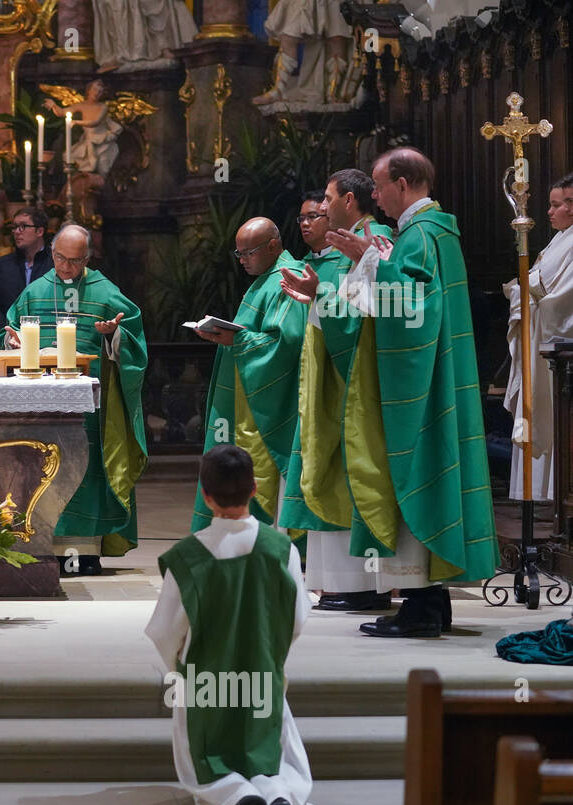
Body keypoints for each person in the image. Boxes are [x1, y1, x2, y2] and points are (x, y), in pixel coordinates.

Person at [280, 148, 499, 637]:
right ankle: (430, 602)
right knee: (423, 477)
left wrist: (370, 264)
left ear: (403, 183)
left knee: (412, 473)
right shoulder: (426, 233)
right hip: (426, 378)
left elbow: (413, 308)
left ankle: (421, 608)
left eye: (379, 188)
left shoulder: (422, 234)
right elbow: (381, 306)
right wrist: (329, 294)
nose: (374, 197)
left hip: (418, 386)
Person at [147, 444, 323, 805]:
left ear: (205, 494)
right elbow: (297, 619)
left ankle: (237, 798)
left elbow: (164, 632)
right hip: (263, 678)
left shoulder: (186, 557)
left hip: (206, 684)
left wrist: (180, 672)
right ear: (256, 488)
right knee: (275, 753)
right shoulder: (282, 550)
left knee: (204, 760)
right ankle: (278, 797)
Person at [279, 170, 395, 613]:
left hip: (355, 383)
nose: (322, 208)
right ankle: (340, 584)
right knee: (329, 471)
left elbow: (370, 311)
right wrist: (318, 297)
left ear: (350, 199)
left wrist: (319, 295)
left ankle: (362, 586)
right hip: (333, 377)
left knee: (352, 476)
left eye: (327, 199)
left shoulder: (375, 240)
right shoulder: (349, 241)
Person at [2, 224, 147, 574]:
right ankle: (43, 545)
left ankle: (85, 551)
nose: (66, 267)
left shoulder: (106, 292)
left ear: (88, 257)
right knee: (42, 469)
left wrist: (114, 335)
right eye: (60, 258)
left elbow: (134, 337)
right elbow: (9, 331)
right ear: (51, 253)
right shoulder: (35, 292)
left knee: (87, 469)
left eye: (75, 260)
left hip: (90, 407)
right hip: (42, 402)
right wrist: (13, 343)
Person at [191, 217, 308, 531]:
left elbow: (288, 342)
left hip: (270, 402)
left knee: (270, 489)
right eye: (238, 254)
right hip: (248, 397)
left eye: (249, 253)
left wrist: (237, 339)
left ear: (273, 245)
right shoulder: (265, 279)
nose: (242, 261)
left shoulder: (287, 277)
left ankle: (276, 551)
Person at [503, 171, 573, 502]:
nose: (548, 212)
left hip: (557, 350)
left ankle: (557, 495)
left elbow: (560, 300)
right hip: (542, 344)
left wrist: (526, 292)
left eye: (555, 205)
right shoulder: (560, 239)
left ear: (572, 207)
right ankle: (541, 495)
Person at [0, 206, 52, 350]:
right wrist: (7, 333)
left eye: (23, 226)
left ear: (40, 231)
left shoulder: (55, 265)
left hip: (46, 343)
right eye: (15, 227)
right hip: (7, 344)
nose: (17, 232)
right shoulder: (0, 266)